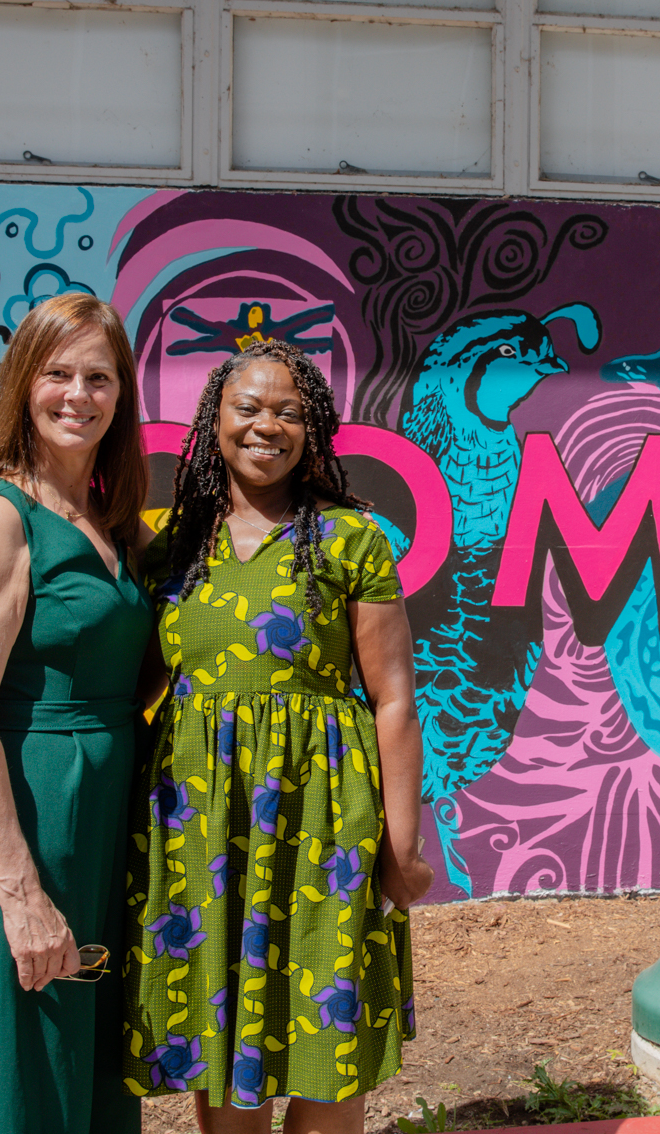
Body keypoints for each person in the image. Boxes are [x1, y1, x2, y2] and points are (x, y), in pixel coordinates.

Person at [122, 339, 431, 1134]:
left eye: (289, 412)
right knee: (222, 1034)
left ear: (314, 428)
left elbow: (393, 701)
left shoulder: (349, 539)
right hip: (204, 825)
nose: (268, 426)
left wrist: (402, 848)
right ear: (213, 421)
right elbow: (140, 691)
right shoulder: (176, 547)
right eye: (248, 408)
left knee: (329, 1036)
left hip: (325, 820)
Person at [0, 292, 157, 1134]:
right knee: (21, 1083)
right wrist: (21, 896)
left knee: (88, 1081)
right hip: (28, 825)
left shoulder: (106, 521)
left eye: (99, 377)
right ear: (22, 384)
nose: (78, 394)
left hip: (98, 829)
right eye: (57, 373)